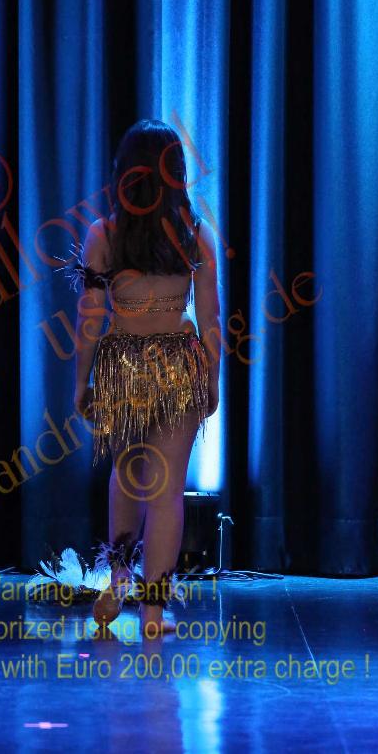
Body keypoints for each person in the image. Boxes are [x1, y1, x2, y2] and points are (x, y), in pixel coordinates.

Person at [66, 118, 221, 637]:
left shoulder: (104, 234)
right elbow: (211, 319)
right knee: (167, 490)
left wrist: (82, 381)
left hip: (123, 367)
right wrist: (213, 379)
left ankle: (118, 577)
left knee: (128, 473)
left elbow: (90, 319)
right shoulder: (195, 234)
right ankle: (153, 611)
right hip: (179, 363)